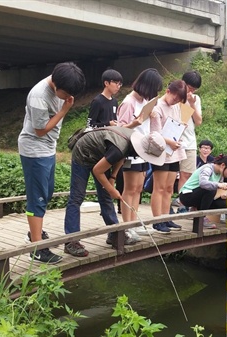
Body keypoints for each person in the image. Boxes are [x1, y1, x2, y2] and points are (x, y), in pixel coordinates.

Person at [18, 62, 86, 263]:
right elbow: (40, 130)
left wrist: (64, 103)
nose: (67, 98)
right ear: (56, 85)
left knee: (46, 193)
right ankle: (37, 248)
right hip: (34, 149)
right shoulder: (39, 96)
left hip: (48, 148)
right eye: (65, 94)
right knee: (37, 198)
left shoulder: (61, 82)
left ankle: (35, 233)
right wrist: (64, 109)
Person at [64, 127, 166, 252]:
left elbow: (121, 158)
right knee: (77, 197)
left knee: (105, 196)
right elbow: (98, 170)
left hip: (102, 153)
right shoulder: (121, 146)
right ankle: (71, 241)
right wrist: (111, 190)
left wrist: (112, 178)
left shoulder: (133, 142)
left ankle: (114, 234)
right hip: (83, 152)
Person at [116, 68, 164, 228]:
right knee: (129, 188)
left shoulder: (145, 102)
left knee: (138, 189)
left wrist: (154, 117)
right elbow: (120, 129)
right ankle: (127, 225)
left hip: (143, 149)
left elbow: (153, 129)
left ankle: (134, 223)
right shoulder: (129, 102)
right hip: (130, 150)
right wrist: (134, 124)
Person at [149, 80, 187, 233]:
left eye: (179, 100)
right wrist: (170, 142)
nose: (176, 102)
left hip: (174, 151)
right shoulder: (157, 107)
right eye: (175, 98)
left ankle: (166, 217)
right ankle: (157, 220)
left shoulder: (177, 107)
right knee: (159, 187)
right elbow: (155, 134)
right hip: (161, 152)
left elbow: (178, 124)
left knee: (169, 187)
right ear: (168, 91)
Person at [178, 155, 227, 228]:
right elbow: (203, 183)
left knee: (222, 203)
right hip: (187, 195)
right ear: (223, 165)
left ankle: (198, 210)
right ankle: (201, 218)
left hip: (199, 194)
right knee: (211, 190)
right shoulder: (208, 168)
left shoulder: (220, 174)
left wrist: (222, 194)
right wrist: (219, 185)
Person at [177, 71, 203, 191]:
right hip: (174, 140)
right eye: (190, 88)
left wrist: (192, 104)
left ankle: (182, 204)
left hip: (189, 141)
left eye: (194, 89)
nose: (191, 92)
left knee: (187, 174)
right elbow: (179, 119)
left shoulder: (195, 99)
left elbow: (198, 121)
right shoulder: (174, 95)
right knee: (170, 175)